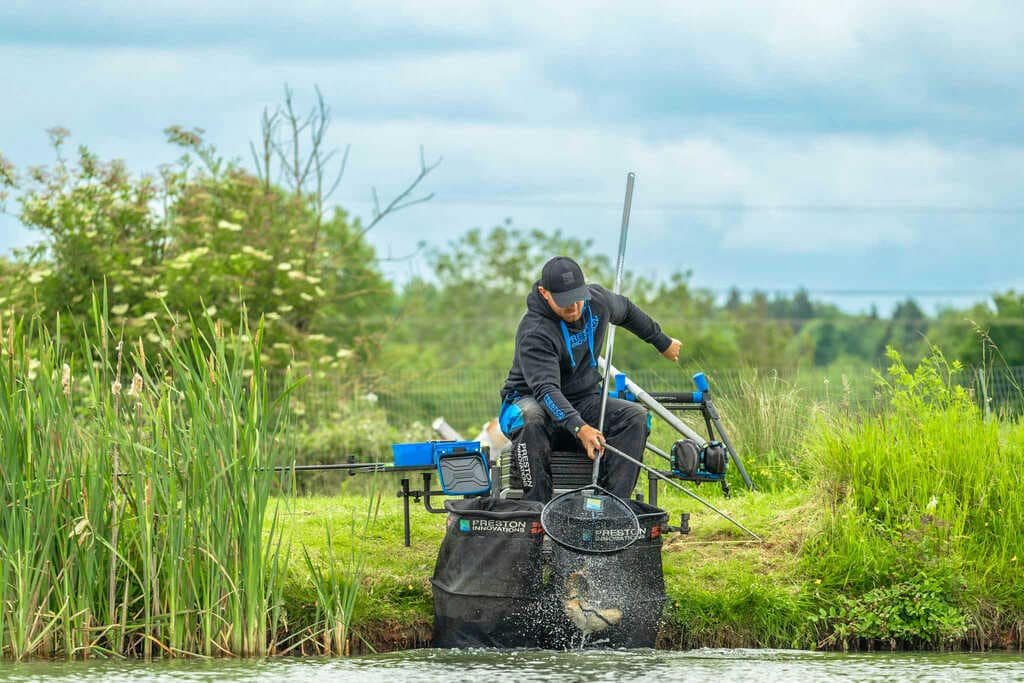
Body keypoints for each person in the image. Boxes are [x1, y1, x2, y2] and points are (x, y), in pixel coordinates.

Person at [498, 256, 682, 502]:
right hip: (531, 402)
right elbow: (546, 390)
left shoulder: (597, 302)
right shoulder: (535, 331)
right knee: (531, 417)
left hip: (583, 400)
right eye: (564, 302)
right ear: (544, 293)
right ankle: (537, 509)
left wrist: (662, 342)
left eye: (577, 299)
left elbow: (626, 311)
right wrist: (580, 427)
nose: (573, 308)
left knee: (634, 417)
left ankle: (612, 506)